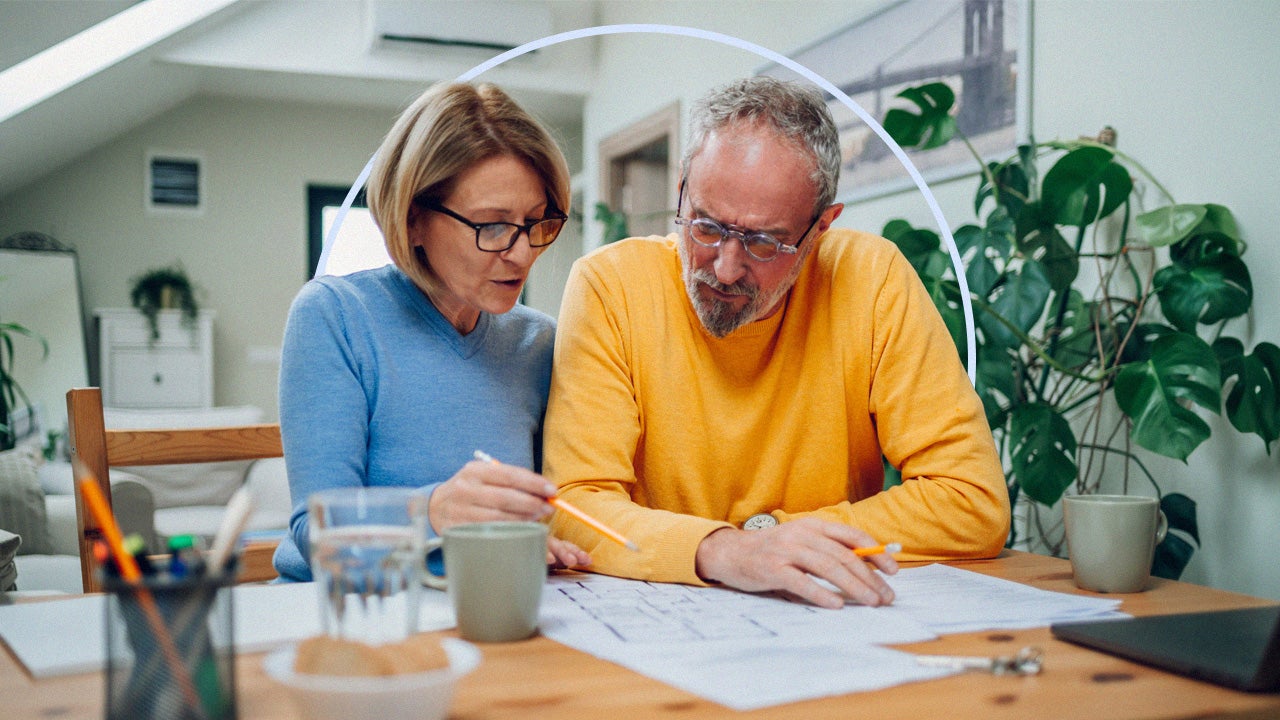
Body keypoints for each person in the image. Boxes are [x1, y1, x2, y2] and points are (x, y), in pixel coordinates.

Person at [542, 77, 1009, 609]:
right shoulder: (610, 287)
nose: (724, 266)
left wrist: (773, 537)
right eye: (706, 226)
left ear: (821, 228)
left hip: (821, 617)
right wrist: (725, 551)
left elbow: (972, 501)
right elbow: (574, 506)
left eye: (765, 243)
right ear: (682, 192)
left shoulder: (872, 280)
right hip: (652, 613)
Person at [273, 81, 590, 582]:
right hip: (350, 610)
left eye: (536, 222)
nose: (522, 253)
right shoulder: (334, 316)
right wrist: (434, 511)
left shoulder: (540, 344)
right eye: (492, 225)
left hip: (481, 600)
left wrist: (540, 537)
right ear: (413, 219)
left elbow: (548, 508)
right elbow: (315, 533)